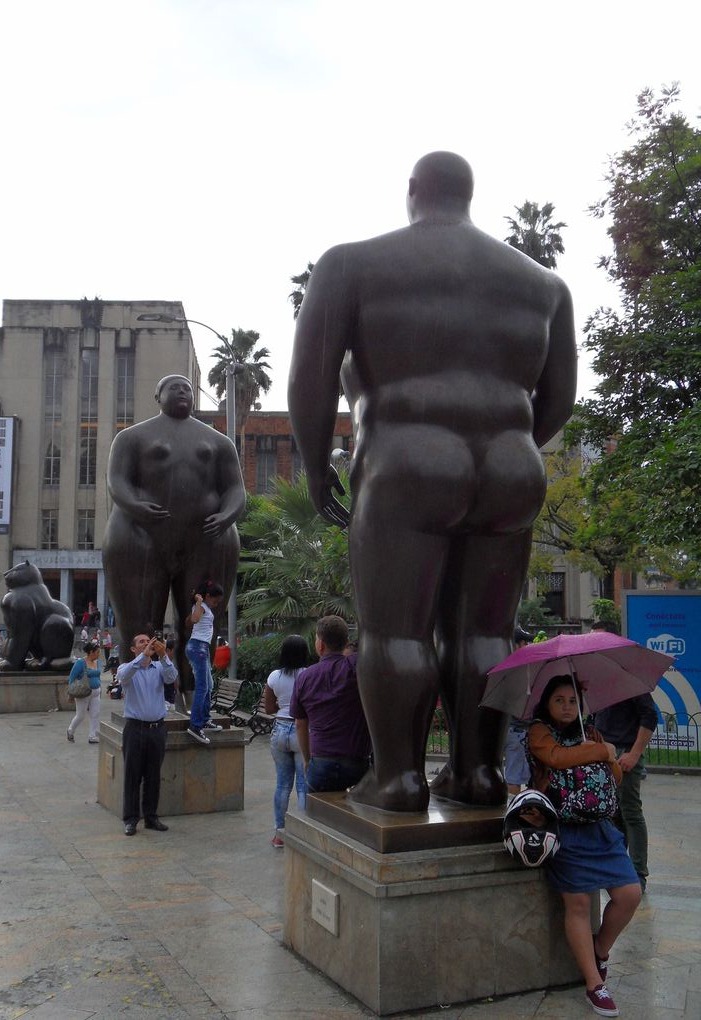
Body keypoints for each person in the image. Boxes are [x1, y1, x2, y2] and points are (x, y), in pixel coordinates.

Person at [288, 151, 577, 811]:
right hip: (508, 462)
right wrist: (512, 449)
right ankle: (477, 775)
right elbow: (557, 398)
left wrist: (312, 462)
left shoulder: (350, 264)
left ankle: (396, 779)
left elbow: (309, 378)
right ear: (466, 196)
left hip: (407, 456)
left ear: (412, 192)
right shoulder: (543, 286)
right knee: (485, 635)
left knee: (396, 633)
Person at [102, 374, 245, 695]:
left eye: (187, 388)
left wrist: (226, 516)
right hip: (139, 535)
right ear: (158, 395)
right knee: (140, 628)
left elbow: (236, 490)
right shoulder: (132, 437)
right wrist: (136, 506)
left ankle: (195, 697)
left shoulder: (219, 442)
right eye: (173, 387)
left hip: (205, 538)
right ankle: (141, 695)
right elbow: (117, 482)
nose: (182, 391)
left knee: (199, 631)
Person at [527, 674, 642, 1017]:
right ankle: (595, 984)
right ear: (547, 703)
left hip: (600, 829)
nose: (567, 707)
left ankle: (601, 950)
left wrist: (603, 754)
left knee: (630, 894)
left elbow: (615, 776)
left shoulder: (589, 731)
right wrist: (601, 751)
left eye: (573, 701)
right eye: (559, 700)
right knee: (577, 904)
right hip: (565, 829)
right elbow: (556, 758)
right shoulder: (539, 731)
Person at [290, 616, 371, 794]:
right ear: (345, 642)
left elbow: (300, 724)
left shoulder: (304, 678)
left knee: (318, 818)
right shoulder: (356, 667)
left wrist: (307, 760)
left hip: (321, 761)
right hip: (357, 762)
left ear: (320, 645)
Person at [594, 693, 658, 893]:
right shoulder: (598, 681)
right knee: (613, 813)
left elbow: (650, 716)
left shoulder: (629, 683)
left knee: (630, 812)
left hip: (625, 752)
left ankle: (638, 873)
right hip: (604, 751)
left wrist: (634, 753)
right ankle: (618, 868)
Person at [116, 633, 178, 836]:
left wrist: (163, 656)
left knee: (153, 776)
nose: (147, 643)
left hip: (156, 729)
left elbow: (172, 677)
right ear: (133, 649)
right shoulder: (127, 668)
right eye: (141, 642)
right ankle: (131, 819)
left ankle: (151, 817)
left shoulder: (159, 667)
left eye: (148, 640)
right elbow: (122, 677)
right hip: (135, 729)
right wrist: (141, 657)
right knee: (133, 775)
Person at [265, 635, 311, 847]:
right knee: (303, 786)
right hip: (302, 730)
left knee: (283, 785)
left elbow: (269, 708)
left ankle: (279, 834)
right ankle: (303, 834)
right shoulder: (309, 675)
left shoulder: (275, 676)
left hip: (280, 729)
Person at [185, 582, 225, 744]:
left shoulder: (205, 607)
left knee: (209, 684)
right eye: (215, 601)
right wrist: (199, 602)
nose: (216, 604)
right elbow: (194, 620)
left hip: (202, 648)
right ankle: (195, 725)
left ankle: (205, 719)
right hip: (197, 647)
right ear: (208, 596)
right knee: (202, 686)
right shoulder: (200, 606)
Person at [504, 627, 534, 796]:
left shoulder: (503, 665)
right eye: (524, 642)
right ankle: (513, 809)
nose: (527, 646)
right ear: (515, 645)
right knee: (514, 777)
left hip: (507, 729)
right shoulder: (520, 670)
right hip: (517, 730)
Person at [65, 640, 103, 744]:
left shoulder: (98, 662)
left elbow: (98, 675)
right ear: (91, 652)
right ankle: (70, 730)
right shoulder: (80, 663)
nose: (98, 654)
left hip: (96, 692)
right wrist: (71, 694)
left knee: (95, 714)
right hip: (83, 692)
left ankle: (93, 736)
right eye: (97, 652)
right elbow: (72, 678)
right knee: (81, 715)